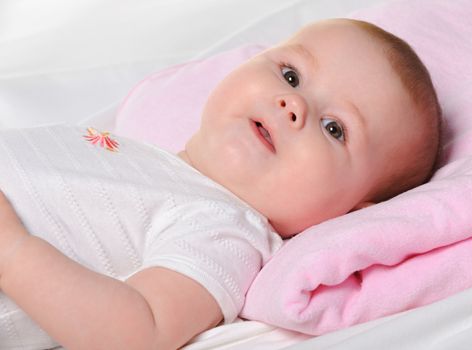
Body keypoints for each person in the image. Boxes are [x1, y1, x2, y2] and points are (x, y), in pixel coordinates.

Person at [0, 18, 441, 349]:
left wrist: (13, 252)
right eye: (290, 75)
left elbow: (138, 332)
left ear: (351, 212)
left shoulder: (227, 231)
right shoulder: (142, 153)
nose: (293, 105)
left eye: (334, 128)